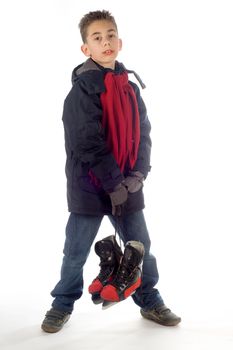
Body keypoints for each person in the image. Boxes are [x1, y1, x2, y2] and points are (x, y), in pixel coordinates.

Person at [41, 10, 181, 333]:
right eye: (97, 37)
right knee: (74, 251)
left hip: (127, 187)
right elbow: (86, 142)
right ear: (85, 49)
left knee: (141, 246)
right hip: (89, 187)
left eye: (110, 35)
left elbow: (143, 134)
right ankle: (61, 304)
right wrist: (112, 181)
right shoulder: (82, 92)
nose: (106, 42)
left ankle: (149, 299)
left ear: (120, 41)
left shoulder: (131, 88)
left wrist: (137, 175)